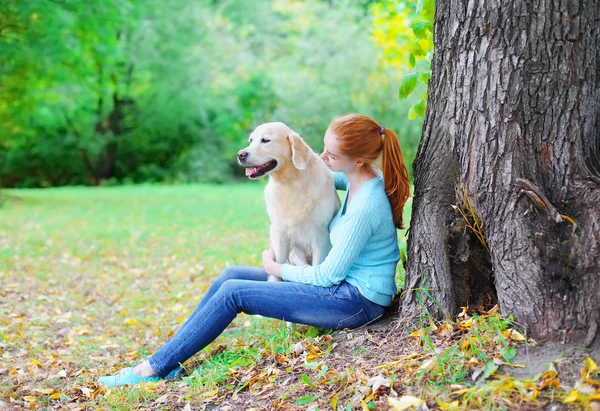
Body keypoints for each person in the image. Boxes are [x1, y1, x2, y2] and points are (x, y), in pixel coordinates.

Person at [98, 114, 410, 386]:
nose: (321, 156)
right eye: (324, 147)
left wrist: (276, 269)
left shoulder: (366, 204)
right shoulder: (359, 175)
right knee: (231, 275)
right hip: (341, 289)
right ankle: (172, 354)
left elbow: (328, 276)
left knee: (235, 292)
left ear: (357, 160)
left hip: (354, 302)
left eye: (331, 154)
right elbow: (310, 170)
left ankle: (152, 368)